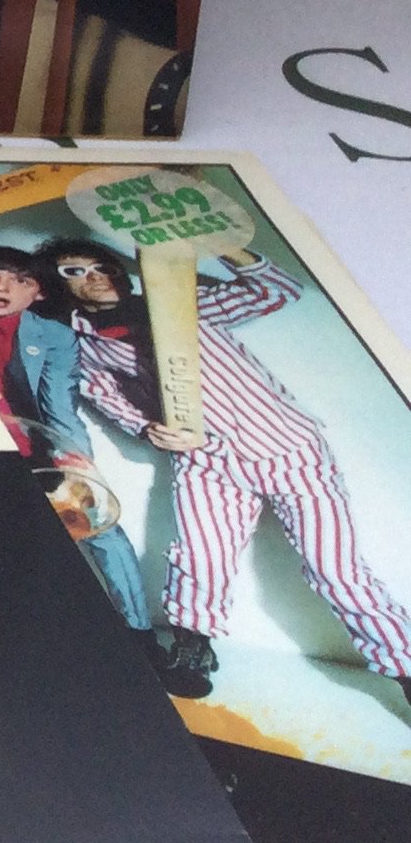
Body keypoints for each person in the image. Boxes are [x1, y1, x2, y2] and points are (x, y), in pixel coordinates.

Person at [36, 236, 411, 714]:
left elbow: (277, 290)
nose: (94, 277)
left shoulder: (180, 299)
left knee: (336, 570)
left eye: (101, 265)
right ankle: (193, 649)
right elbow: (99, 391)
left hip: (288, 447)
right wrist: (145, 428)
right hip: (205, 460)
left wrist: (222, 243)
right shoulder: (80, 340)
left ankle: (405, 668)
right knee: (199, 557)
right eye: (74, 272)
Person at [0, 248, 159, 653]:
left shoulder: (53, 336)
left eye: (22, 280)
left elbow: (60, 409)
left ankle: (141, 637)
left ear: (40, 293)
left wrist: (77, 464)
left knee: (103, 531)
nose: (1, 286)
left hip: (28, 448)